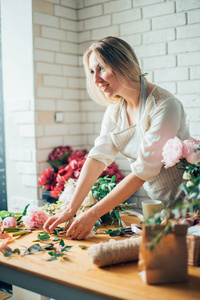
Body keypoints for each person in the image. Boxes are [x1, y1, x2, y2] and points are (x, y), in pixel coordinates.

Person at [43, 36, 191, 239]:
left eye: (101, 68)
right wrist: (71, 208)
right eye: (92, 71)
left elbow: (142, 172)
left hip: (192, 203)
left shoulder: (165, 106)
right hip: (164, 209)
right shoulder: (115, 110)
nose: (96, 79)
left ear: (121, 63)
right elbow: (97, 157)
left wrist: (92, 214)